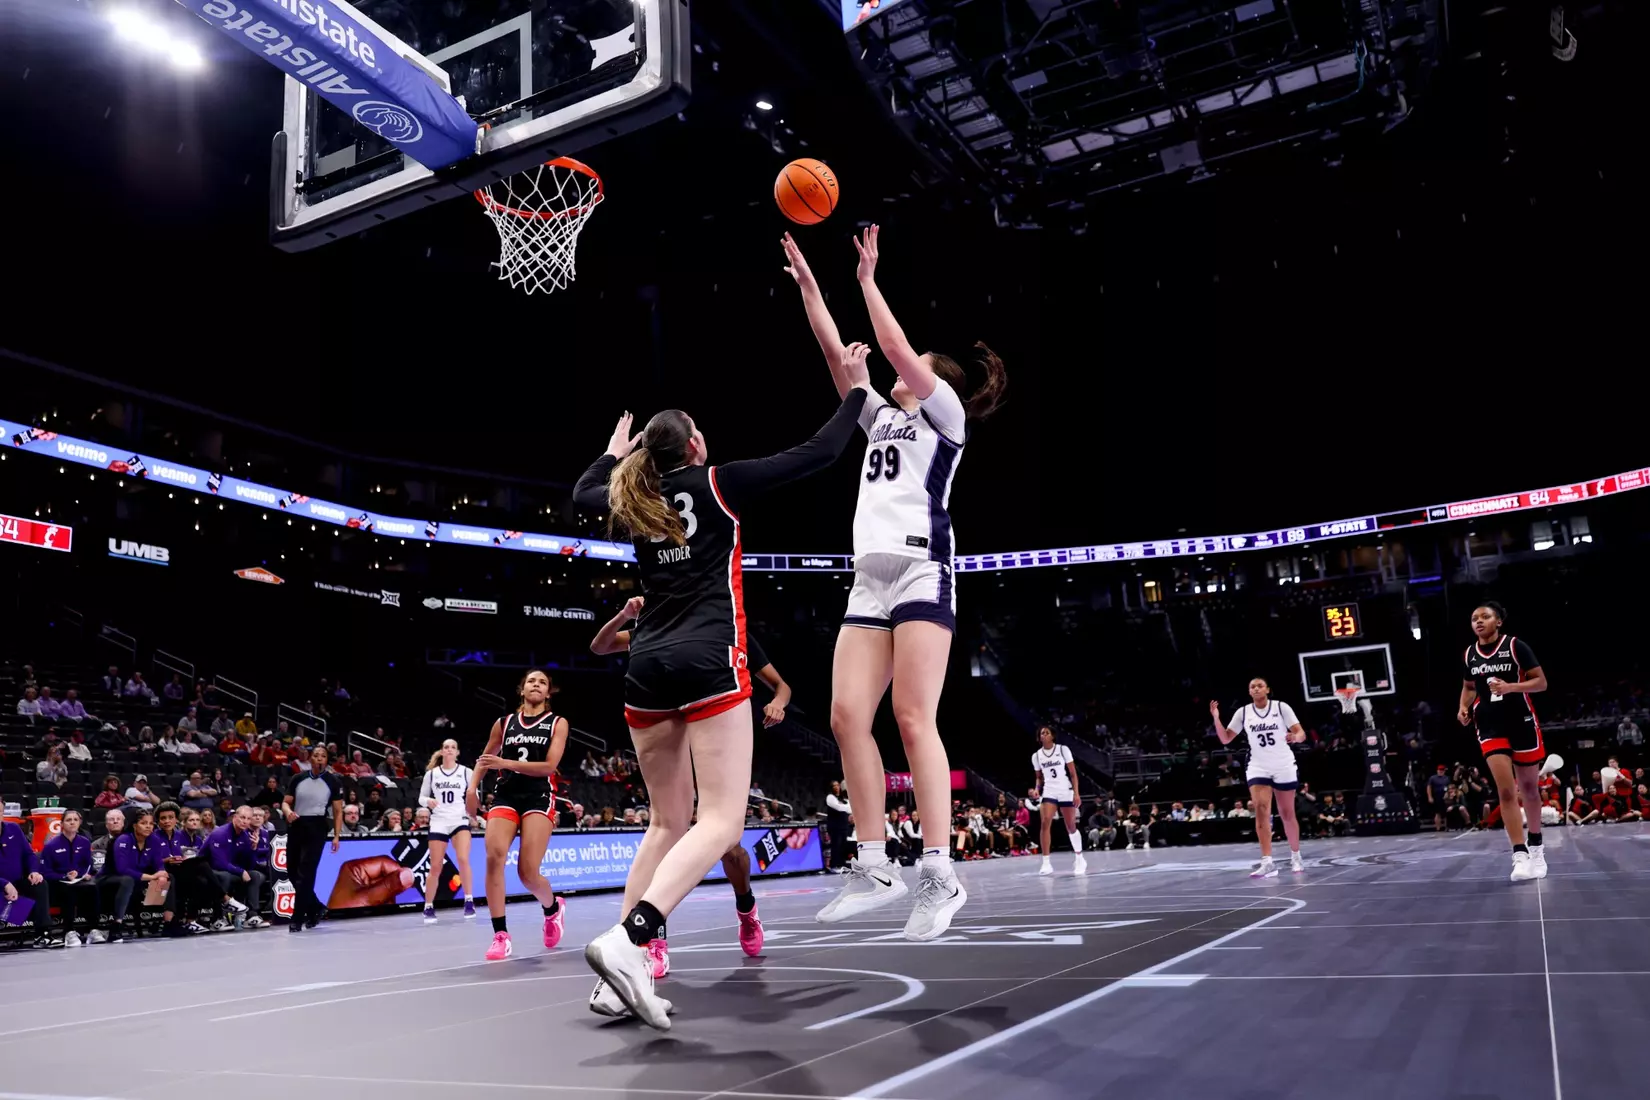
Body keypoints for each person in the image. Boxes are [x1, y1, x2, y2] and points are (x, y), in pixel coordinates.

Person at [571, 380, 870, 1030]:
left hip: (647, 665)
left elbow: (582, 494)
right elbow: (818, 452)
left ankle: (618, 979)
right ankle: (630, 940)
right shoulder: (720, 484)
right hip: (709, 659)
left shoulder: (636, 495)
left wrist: (610, 455)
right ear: (698, 445)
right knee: (723, 821)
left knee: (663, 823)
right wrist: (857, 393)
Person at [783, 228, 1006, 941]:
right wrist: (813, 289)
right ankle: (874, 862)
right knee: (848, 717)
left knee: (913, 718)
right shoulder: (880, 416)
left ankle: (939, 872)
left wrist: (869, 281)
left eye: (915, 366)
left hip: (920, 567)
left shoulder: (945, 419)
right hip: (867, 580)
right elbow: (835, 356)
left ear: (935, 380)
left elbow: (896, 350)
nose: (899, 370)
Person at [589, 597, 788, 971]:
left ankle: (745, 905)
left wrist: (778, 701)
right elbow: (599, 646)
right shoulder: (653, 632)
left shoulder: (725, 631)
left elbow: (781, 686)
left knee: (729, 846)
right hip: (673, 747)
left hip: (715, 744)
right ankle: (651, 939)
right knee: (666, 831)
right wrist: (625, 615)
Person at [466, 670, 569, 961]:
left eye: (543, 682)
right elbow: (485, 760)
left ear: (548, 693)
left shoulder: (557, 723)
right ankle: (501, 935)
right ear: (521, 690)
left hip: (538, 795)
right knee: (494, 855)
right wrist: (472, 788)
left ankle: (553, 908)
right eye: (531, 681)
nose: (536, 685)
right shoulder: (505, 723)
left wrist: (506, 762)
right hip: (507, 795)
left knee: (527, 873)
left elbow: (549, 766)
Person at [1458, 601, 1555, 882]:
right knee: (1506, 791)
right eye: (1474, 618)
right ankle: (1519, 854)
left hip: (1521, 721)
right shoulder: (1469, 654)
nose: (1478, 621)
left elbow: (1541, 682)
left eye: (1485, 617)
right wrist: (1463, 707)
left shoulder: (1515, 646)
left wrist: (1510, 687)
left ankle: (1536, 846)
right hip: (1489, 723)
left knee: (1529, 788)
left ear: (1498, 621)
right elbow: (1467, 688)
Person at [1209, 678, 1307, 878]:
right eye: (1252, 686)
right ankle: (1267, 862)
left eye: (1259, 685)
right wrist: (1216, 718)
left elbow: (1301, 733)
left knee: (1287, 813)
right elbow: (1226, 738)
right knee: (1261, 810)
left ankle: (1296, 856)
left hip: (1283, 764)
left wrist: (1295, 737)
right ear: (1249, 691)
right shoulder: (1243, 712)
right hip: (1258, 766)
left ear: (1268, 689)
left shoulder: (1281, 707)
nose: (1256, 688)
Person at [283, 746, 345, 933]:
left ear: (327, 760)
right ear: (310, 759)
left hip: (317, 826)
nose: (319, 759)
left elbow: (337, 810)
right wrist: (288, 812)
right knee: (292, 871)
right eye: (316, 756)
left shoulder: (332, 781)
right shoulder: (298, 778)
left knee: (306, 873)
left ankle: (297, 918)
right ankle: (316, 907)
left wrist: (336, 835)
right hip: (297, 823)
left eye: (323, 756)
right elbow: (286, 802)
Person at [418, 739, 477, 923]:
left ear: (457, 752)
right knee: (435, 866)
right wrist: (428, 802)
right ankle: (428, 906)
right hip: (439, 820)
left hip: (458, 819)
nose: (449, 750)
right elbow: (421, 797)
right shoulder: (432, 774)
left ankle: (469, 901)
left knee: (463, 858)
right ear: (442, 751)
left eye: (453, 747)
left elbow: (474, 795)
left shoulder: (466, 772)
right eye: (446, 747)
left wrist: (473, 813)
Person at [40, 809, 100, 946]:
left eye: (75, 820)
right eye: (68, 820)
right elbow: (45, 872)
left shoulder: (84, 842)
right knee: (68, 890)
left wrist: (80, 874)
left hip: (78, 880)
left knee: (92, 888)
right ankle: (68, 931)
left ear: (80, 823)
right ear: (61, 824)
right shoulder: (51, 845)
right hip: (57, 882)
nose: (72, 822)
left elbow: (88, 864)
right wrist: (64, 876)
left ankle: (93, 929)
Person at [1031, 727, 1085, 876]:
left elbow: (1073, 774)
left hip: (1065, 789)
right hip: (1049, 790)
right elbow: (1039, 777)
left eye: (1047, 732)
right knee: (1045, 821)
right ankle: (1046, 862)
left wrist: (1076, 793)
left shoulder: (1063, 750)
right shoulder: (1036, 756)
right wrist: (1037, 788)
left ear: (1053, 736)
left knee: (1071, 826)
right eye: (1042, 733)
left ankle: (1079, 858)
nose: (1044, 734)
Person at [204, 806, 267, 922]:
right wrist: (240, 871)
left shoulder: (245, 836)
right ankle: (218, 918)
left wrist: (253, 848)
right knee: (225, 877)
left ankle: (252, 915)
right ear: (235, 817)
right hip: (210, 870)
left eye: (248, 819)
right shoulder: (220, 833)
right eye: (242, 817)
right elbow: (219, 863)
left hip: (230, 870)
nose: (245, 821)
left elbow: (249, 865)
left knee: (256, 875)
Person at [0, 813, 53, 946]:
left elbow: (29, 855)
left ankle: (43, 934)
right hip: (2, 885)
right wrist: (4, 884)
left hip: (16, 883)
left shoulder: (13, 829)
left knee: (39, 884)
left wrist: (33, 871)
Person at [824, 781, 852, 870]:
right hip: (835, 826)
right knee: (836, 846)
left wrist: (846, 807)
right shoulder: (830, 797)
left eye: (838, 785)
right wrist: (846, 807)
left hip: (843, 826)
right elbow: (838, 807)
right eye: (834, 785)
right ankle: (833, 866)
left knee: (843, 846)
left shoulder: (842, 798)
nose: (836, 787)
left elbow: (850, 809)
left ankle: (841, 864)